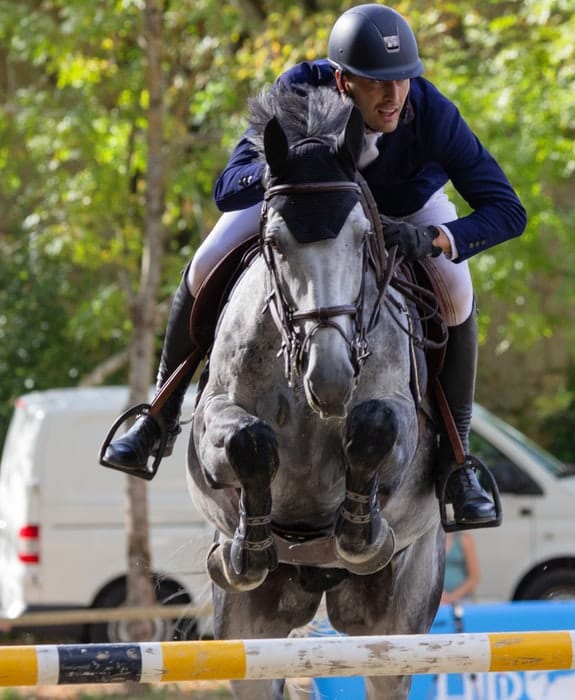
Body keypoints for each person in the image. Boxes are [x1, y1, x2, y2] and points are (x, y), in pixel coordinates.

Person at [100, 4, 527, 529]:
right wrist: (288, 167)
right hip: (305, 202)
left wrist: (435, 238)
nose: (394, 97)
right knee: (206, 259)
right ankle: (158, 416)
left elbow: (508, 210)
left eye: (403, 81)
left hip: (404, 210)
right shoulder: (300, 89)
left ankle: (457, 462)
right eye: (377, 84)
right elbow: (226, 185)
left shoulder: (432, 112)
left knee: (457, 295)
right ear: (343, 80)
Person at [442, 531, 481, 606]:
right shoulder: (430, 541)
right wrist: (439, 595)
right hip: (436, 598)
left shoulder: (464, 539)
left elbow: (474, 578)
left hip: (462, 599)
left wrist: (452, 597)